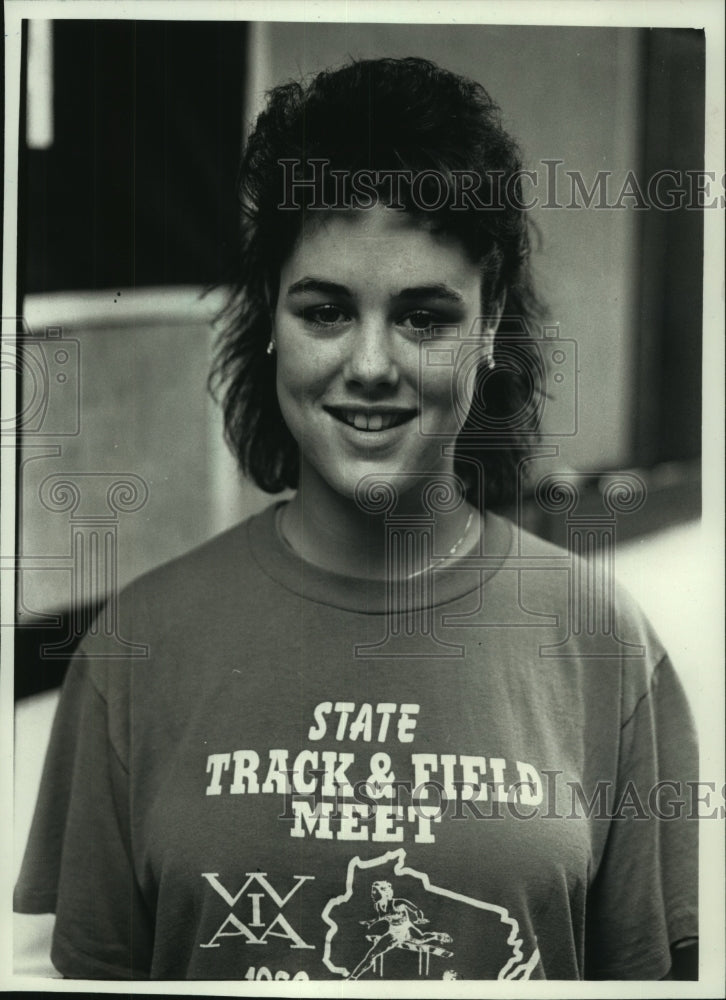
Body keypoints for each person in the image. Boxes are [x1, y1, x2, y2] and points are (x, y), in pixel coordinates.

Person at [14, 56, 698, 981]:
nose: (371, 364)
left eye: (423, 317)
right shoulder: (133, 654)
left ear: (490, 323)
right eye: (327, 310)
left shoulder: (607, 652)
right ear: (270, 318)